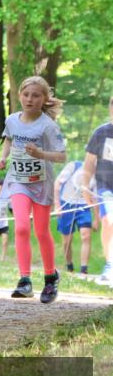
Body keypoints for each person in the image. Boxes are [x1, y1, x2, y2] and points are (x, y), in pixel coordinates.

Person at [0, 76, 67, 302]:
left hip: (41, 183)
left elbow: (62, 156)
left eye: (36, 96)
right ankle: (24, 280)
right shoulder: (12, 120)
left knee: (41, 231)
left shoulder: (49, 126)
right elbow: (8, 140)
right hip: (18, 180)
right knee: (21, 228)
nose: (30, 99)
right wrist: (3, 157)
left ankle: (50, 277)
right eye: (26, 94)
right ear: (19, 95)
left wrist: (40, 154)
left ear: (44, 99)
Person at [80, 95, 113, 286]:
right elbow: (88, 164)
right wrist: (85, 187)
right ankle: (110, 265)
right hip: (105, 186)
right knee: (108, 221)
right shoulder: (101, 133)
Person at [55, 159, 97, 276]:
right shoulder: (73, 166)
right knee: (67, 241)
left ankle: (84, 269)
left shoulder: (97, 176)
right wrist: (57, 205)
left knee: (86, 235)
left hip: (84, 206)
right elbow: (57, 183)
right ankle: (69, 265)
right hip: (66, 204)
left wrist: (96, 218)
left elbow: (95, 198)